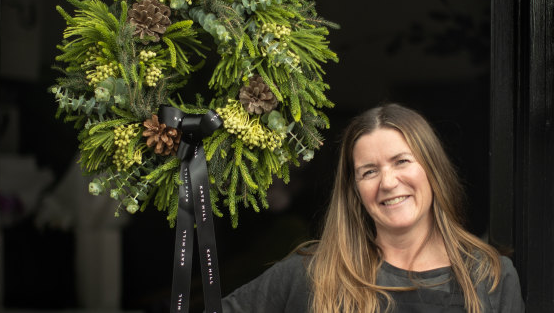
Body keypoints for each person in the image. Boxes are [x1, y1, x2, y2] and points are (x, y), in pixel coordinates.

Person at [220, 103, 525, 313]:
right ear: (355, 191)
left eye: (401, 161)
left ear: (432, 169)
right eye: (369, 171)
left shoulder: (490, 276)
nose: (388, 182)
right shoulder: (312, 273)